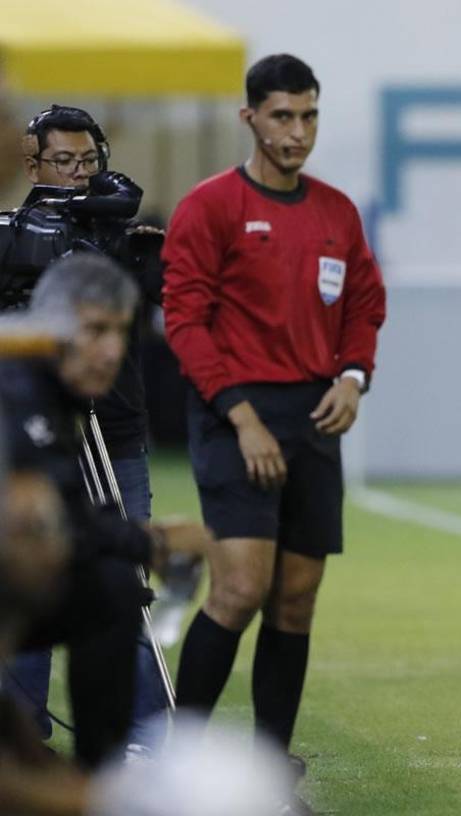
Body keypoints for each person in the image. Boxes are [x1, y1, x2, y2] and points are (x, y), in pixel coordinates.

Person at [162, 53, 386, 772]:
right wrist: (241, 415)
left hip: (313, 416)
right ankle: (179, 762)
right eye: (282, 116)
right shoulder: (210, 207)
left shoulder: (335, 212)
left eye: (309, 116)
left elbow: (365, 305)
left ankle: (269, 765)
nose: (297, 132)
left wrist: (353, 376)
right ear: (249, 117)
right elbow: (185, 321)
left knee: (295, 600)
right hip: (234, 414)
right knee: (238, 589)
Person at [2, 104, 169, 752]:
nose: (78, 175)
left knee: (126, 583)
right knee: (29, 582)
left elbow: (161, 304)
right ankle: (24, 749)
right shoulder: (15, 238)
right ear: (32, 163)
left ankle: (144, 746)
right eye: (64, 161)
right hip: (35, 432)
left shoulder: (120, 236)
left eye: (88, 162)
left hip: (117, 434)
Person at [0, 253, 209, 768]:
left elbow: (73, 510)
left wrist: (142, 543)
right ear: (50, 326)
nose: (113, 350)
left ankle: (104, 773)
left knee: (112, 584)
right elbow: (54, 520)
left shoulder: (53, 388)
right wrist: (156, 542)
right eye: (95, 330)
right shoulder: (15, 386)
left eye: (121, 331)